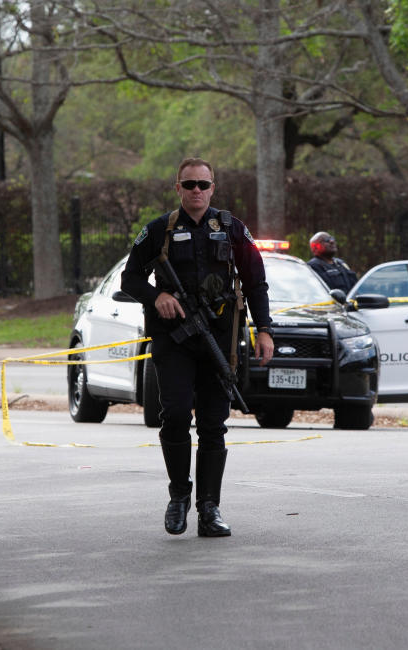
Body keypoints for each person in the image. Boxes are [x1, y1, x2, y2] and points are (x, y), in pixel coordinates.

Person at [121, 157, 275, 538]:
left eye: (203, 185)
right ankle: (178, 497)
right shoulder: (159, 230)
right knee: (173, 414)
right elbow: (130, 278)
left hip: (219, 341)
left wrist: (266, 330)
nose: (196, 191)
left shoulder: (232, 229)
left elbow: (256, 282)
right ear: (177, 188)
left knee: (212, 424)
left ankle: (210, 508)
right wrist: (156, 296)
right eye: (188, 184)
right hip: (174, 341)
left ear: (213, 188)